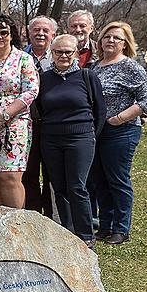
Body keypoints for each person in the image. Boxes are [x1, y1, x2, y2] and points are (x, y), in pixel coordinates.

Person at [37, 34, 106, 246]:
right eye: (59, 52)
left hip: (81, 138)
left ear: (75, 53)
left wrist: (91, 135)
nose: (64, 56)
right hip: (51, 139)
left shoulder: (87, 76)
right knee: (59, 187)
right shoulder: (44, 78)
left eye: (68, 52)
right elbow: (40, 108)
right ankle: (66, 232)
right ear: (52, 53)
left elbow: (100, 110)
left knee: (77, 186)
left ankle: (85, 235)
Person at [91, 21, 147, 245]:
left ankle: (121, 228)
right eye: (107, 36)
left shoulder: (131, 67)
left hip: (122, 131)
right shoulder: (94, 66)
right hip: (98, 131)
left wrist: (120, 118)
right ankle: (105, 226)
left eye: (117, 38)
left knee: (117, 180)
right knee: (100, 180)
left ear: (125, 43)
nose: (111, 40)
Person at [0, 14, 40, 209]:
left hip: (14, 126)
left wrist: (5, 115)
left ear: (12, 35)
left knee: (9, 176)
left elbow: (31, 91)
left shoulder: (23, 59)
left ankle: (16, 223)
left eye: (4, 32)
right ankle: (0, 221)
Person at [22, 15, 58, 217]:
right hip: (28, 123)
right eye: (36, 30)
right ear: (29, 33)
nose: (41, 33)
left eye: (45, 30)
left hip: (54, 124)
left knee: (54, 175)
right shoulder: (20, 57)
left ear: (53, 34)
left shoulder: (60, 56)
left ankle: (55, 218)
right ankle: (34, 215)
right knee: (29, 174)